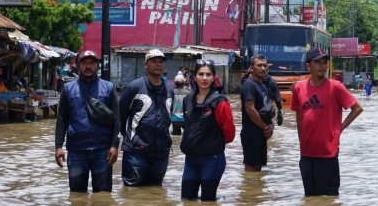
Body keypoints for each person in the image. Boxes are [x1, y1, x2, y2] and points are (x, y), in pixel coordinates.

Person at [291, 47, 363, 196]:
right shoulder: (299, 87)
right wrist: (301, 142)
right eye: (318, 62)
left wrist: (339, 129)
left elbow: (357, 108)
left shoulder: (335, 87)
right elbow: (299, 117)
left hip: (328, 153)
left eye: (325, 62)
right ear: (308, 66)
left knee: (329, 197)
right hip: (306, 153)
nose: (322, 66)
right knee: (310, 197)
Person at [54, 50, 121, 192]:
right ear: (78, 66)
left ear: (97, 66)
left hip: (103, 151)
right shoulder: (68, 89)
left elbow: (117, 119)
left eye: (92, 63)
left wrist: (114, 146)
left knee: (103, 195)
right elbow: (62, 119)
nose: (88, 66)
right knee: (77, 195)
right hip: (77, 150)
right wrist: (58, 146)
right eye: (84, 63)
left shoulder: (109, 88)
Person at [180, 59, 235, 201]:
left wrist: (212, 143)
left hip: (212, 159)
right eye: (201, 74)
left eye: (208, 74)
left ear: (214, 77)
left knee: (208, 200)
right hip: (191, 158)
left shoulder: (220, 102)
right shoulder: (188, 99)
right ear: (194, 76)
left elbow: (229, 133)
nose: (204, 78)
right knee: (186, 198)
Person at [118, 49, 174, 186]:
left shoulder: (169, 90)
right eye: (154, 61)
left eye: (161, 62)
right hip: (136, 152)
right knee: (132, 191)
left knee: (155, 191)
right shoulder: (134, 87)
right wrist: (130, 139)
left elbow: (168, 118)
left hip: (161, 152)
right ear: (145, 64)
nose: (158, 65)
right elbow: (120, 116)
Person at [240, 54, 275, 171]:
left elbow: (267, 109)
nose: (263, 68)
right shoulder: (249, 85)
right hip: (251, 133)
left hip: (261, 133)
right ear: (251, 68)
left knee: (259, 168)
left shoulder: (263, 86)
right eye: (259, 65)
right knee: (251, 169)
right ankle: (249, 189)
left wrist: (271, 126)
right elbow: (250, 110)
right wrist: (266, 128)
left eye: (265, 65)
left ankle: (256, 189)